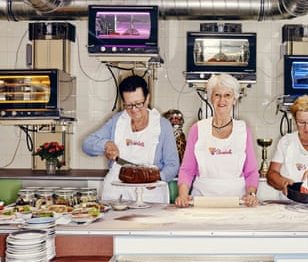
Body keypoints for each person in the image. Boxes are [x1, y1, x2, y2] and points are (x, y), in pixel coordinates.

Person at [82, 75, 179, 203]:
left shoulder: (162, 125)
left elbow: (173, 165)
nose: (134, 110)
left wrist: (158, 178)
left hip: (151, 194)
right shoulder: (117, 121)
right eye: (128, 105)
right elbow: (87, 144)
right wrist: (106, 144)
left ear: (147, 98)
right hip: (116, 194)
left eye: (138, 104)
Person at [174, 74, 260, 207]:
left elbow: (251, 171)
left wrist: (251, 195)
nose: (222, 100)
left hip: (236, 202)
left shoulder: (243, 130)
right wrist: (183, 194)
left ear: (235, 99)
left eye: (227, 95)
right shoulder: (197, 129)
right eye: (217, 95)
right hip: (202, 201)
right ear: (210, 98)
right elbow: (187, 170)